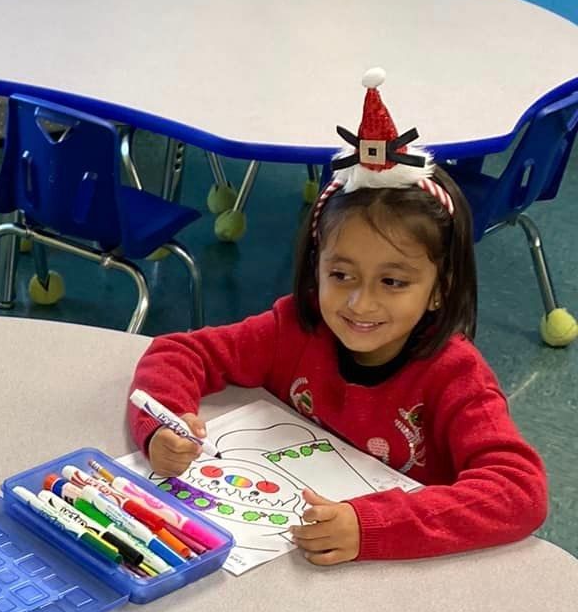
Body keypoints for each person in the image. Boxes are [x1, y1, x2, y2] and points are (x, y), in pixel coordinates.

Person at [128, 71, 547, 564]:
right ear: (316, 266)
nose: (360, 305)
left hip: (397, 580)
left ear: (440, 291)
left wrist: (373, 527)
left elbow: (519, 492)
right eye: (341, 274)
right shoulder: (296, 328)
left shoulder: (456, 375)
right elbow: (180, 352)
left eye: (393, 282)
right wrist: (161, 427)